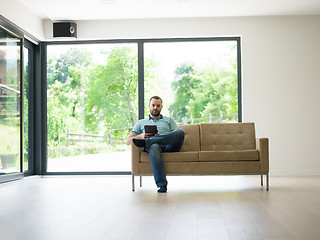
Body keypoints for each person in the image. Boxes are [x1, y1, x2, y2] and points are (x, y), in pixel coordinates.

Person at [126, 96, 185, 193]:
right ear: (149, 106)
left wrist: (160, 137)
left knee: (180, 132)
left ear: (161, 107)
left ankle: (150, 141)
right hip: (154, 148)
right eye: (153, 105)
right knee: (154, 146)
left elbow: (177, 136)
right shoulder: (141, 122)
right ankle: (162, 185)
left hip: (168, 146)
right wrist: (141, 136)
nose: (155, 108)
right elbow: (128, 141)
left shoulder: (169, 120)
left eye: (158, 106)